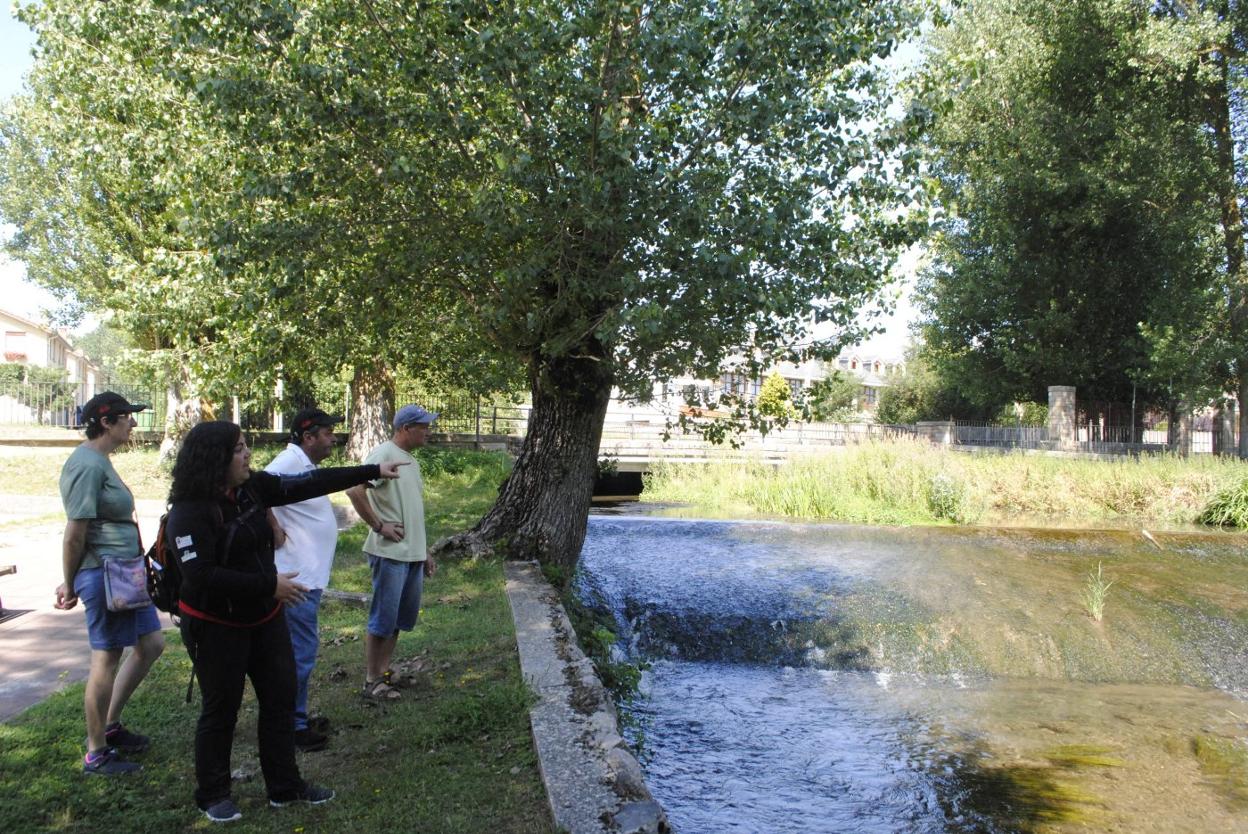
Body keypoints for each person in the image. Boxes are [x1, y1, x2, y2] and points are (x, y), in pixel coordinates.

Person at [166, 421, 405, 824]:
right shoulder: (188, 513)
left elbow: (309, 483)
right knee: (221, 709)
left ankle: (285, 786)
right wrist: (268, 584)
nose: (247, 455)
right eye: (239, 449)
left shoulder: (251, 490)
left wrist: (371, 472)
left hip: (264, 615)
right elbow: (200, 576)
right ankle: (213, 793)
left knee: (279, 699)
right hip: (215, 624)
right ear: (215, 458)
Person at [56, 391, 166, 775]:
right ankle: (96, 751)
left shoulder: (101, 460)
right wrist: (70, 584)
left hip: (124, 573)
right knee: (106, 658)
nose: (133, 423)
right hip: (104, 575)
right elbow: (75, 533)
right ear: (106, 422)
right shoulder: (86, 465)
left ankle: (110, 725)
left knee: (151, 644)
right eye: (127, 417)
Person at [263, 407, 345, 752]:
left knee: (300, 652)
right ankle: (292, 726)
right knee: (299, 653)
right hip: (296, 580)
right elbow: (255, 493)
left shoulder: (304, 464)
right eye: (327, 433)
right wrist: (274, 530)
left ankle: (296, 717)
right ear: (308, 437)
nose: (333, 439)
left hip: (307, 577)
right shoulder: (286, 464)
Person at [346, 403, 438, 702]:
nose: (428, 431)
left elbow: (411, 509)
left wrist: (423, 550)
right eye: (423, 426)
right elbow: (355, 490)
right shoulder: (383, 454)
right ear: (405, 429)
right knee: (383, 618)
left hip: (410, 553)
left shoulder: (410, 460)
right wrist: (379, 525)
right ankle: (372, 680)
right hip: (390, 553)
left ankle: (385, 671)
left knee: (399, 618)